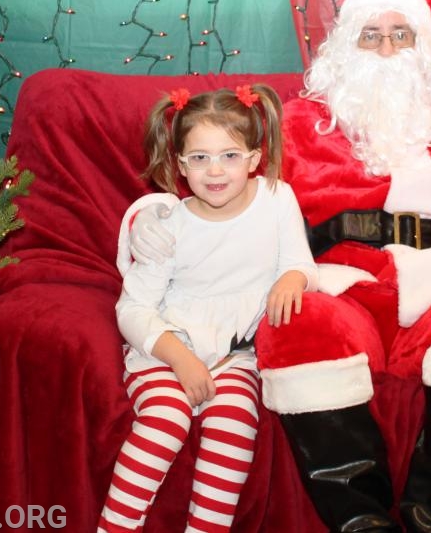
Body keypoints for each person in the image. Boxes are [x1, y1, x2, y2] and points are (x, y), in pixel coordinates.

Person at [130, 0, 431, 533]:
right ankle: (362, 525)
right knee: (299, 324)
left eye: (402, 34)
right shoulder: (297, 124)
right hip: (341, 281)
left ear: (425, 45)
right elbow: (216, 174)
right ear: (345, 47)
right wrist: (153, 210)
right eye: (371, 36)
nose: (388, 49)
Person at [98, 84, 319, 533]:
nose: (214, 170)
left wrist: (292, 278)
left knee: (237, 422)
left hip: (235, 356)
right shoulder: (166, 226)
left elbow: (302, 265)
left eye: (230, 156)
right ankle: (115, 526)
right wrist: (180, 360)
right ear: (180, 164)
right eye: (199, 158)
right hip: (166, 348)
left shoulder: (278, 198)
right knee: (166, 418)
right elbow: (133, 309)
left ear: (254, 159)